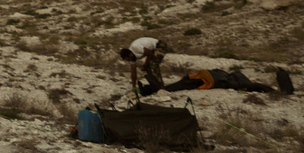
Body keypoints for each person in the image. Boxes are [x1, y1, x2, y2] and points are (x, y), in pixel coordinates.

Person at [116, 37, 293, 96]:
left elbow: (151, 55)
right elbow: (133, 72)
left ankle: (160, 86)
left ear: (129, 53)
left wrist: (145, 66)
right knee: (151, 68)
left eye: (129, 57)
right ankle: (158, 86)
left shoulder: (136, 48)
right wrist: (133, 86)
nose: (131, 59)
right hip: (211, 77)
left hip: (159, 46)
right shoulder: (130, 57)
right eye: (128, 59)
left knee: (152, 64)